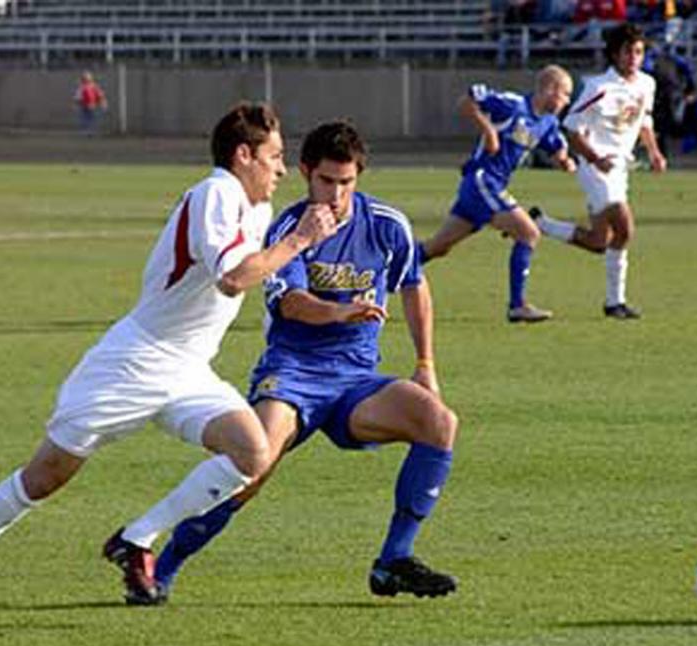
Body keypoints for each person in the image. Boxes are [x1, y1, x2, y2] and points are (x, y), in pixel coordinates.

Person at [0, 102, 339, 622]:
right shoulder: (217, 192)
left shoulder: (254, 207)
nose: (281, 169)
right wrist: (302, 239)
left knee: (253, 452)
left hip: (188, 369)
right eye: (275, 157)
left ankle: (137, 538)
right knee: (45, 476)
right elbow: (233, 277)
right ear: (243, 155)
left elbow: (266, 258)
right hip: (132, 363)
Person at [105, 121, 460, 604]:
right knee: (249, 469)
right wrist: (341, 311)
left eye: (346, 182)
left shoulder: (386, 224)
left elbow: (415, 285)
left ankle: (393, 560)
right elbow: (291, 303)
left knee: (438, 422)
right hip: (292, 377)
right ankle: (161, 570)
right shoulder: (289, 230)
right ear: (306, 173)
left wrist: (425, 364)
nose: (335, 194)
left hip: (356, 381)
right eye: (326, 181)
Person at [419, 65, 577, 324]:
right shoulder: (513, 105)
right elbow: (468, 99)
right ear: (550, 89)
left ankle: (385, 273)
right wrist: (489, 130)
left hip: (486, 188)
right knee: (529, 232)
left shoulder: (547, 122)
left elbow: (557, 147)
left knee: (437, 247)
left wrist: (564, 160)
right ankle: (517, 305)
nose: (567, 101)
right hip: (483, 180)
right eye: (565, 94)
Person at [532, 22, 666, 320]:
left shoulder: (647, 84)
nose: (634, 57)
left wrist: (654, 152)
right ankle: (615, 302)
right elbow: (572, 129)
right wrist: (595, 159)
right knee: (625, 228)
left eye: (639, 51)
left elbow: (644, 121)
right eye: (628, 51)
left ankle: (542, 224)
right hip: (596, 167)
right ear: (615, 54)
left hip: (621, 166)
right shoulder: (598, 88)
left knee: (599, 242)